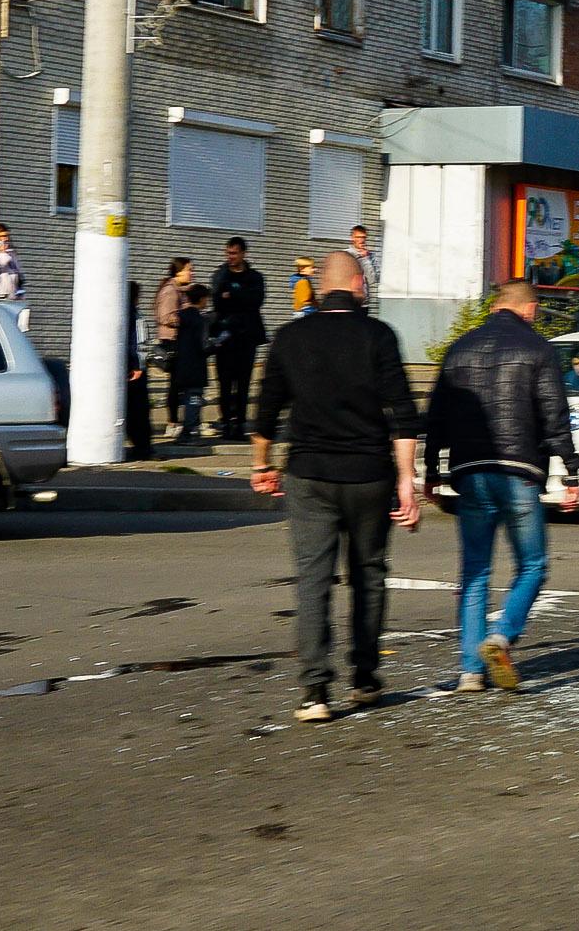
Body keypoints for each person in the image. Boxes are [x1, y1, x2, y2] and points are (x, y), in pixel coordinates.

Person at [252, 252, 419, 721]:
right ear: (358, 286)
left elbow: (266, 410)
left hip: (308, 475)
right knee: (368, 575)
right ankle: (364, 679)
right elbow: (403, 414)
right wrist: (407, 480)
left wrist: (261, 464)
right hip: (368, 475)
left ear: (322, 288)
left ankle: (314, 693)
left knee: (313, 580)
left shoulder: (291, 337)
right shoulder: (379, 336)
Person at [424, 279, 579, 693]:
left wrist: (431, 470)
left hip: (470, 472)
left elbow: (437, 413)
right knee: (532, 564)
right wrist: (572, 469)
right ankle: (503, 634)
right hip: (519, 472)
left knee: (475, 571)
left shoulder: (459, 349)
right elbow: (554, 414)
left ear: (496, 307)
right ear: (529, 308)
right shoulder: (537, 348)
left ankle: (470, 671)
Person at [211, 237, 267, 440]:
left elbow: (256, 300)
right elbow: (218, 301)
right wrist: (237, 297)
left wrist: (234, 294)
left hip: (247, 336)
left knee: (244, 383)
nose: (230, 257)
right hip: (225, 337)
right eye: (228, 253)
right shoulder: (220, 275)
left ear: (243, 253)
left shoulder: (255, 277)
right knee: (224, 382)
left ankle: (240, 423)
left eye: (234, 253)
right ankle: (226, 422)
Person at [154, 258, 194, 437]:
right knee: (175, 384)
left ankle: (176, 421)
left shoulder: (180, 291)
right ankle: (172, 422)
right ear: (178, 272)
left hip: (178, 341)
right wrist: (187, 320)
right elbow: (166, 317)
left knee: (178, 383)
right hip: (172, 341)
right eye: (188, 270)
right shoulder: (171, 292)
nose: (191, 273)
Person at [172, 284, 215, 441]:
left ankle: (187, 429)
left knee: (186, 398)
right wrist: (218, 343)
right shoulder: (201, 320)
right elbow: (205, 346)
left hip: (182, 364)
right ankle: (189, 431)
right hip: (196, 366)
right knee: (194, 399)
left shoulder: (181, 316)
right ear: (202, 299)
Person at [126, 282, 155, 461]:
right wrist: (138, 365)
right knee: (140, 410)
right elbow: (139, 343)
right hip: (135, 368)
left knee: (132, 410)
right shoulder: (134, 315)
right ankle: (142, 447)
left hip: (125, 367)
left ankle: (139, 445)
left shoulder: (121, 312)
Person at [0, 225, 25, 299]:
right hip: (0, 294)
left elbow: (19, 272)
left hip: (13, 294)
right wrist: (1, 251)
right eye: (2, 236)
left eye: (7, 236)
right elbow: (2, 263)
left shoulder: (12, 253)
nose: (5, 239)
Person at [346, 225, 378, 297]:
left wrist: (365, 258)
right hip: (348, 299)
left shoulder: (370, 256)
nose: (362, 240)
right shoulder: (346, 254)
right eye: (358, 237)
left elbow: (372, 280)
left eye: (364, 237)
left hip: (363, 300)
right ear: (352, 238)